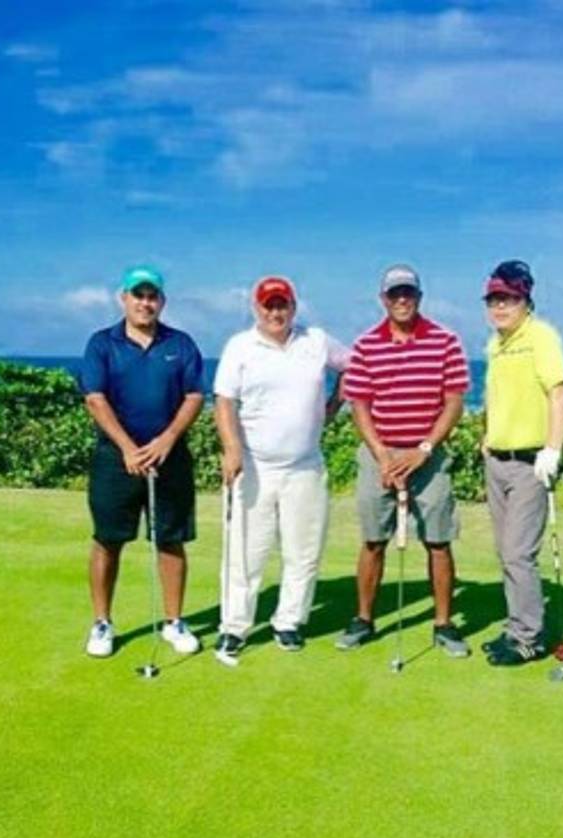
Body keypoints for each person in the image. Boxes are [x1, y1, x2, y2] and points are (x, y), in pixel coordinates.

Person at [213, 276, 351, 660]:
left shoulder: (316, 340)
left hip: (306, 466)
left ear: (294, 306)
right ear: (256, 308)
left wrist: (332, 407)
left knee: (303, 551)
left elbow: (354, 367)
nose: (276, 312)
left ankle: (289, 622)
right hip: (254, 466)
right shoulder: (240, 346)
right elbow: (224, 402)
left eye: (282, 305)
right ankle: (234, 627)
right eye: (268, 305)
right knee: (245, 552)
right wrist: (231, 448)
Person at [337, 264, 471, 656]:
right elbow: (359, 404)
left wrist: (423, 450)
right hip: (379, 454)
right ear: (383, 299)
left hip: (427, 455)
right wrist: (382, 455)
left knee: (438, 541)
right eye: (394, 294)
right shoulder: (365, 345)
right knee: (373, 540)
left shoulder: (444, 341)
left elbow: (454, 402)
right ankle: (363, 619)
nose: (401, 300)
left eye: (408, 293)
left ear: (419, 297)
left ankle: (443, 625)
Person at [79, 265, 205, 658]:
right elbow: (95, 398)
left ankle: (173, 621)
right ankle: (102, 622)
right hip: (115, 460)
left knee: (170, 540)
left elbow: (194, 396)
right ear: (124, 299)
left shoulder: (180, 344)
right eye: (138, 295)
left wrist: (166, 440)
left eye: (152, 296)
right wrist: (128, 449)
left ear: (161, 301)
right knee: (108, 540)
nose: (145, 303)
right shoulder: (102, 343)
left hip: (170, 458)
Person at [479, 260, 563, 666]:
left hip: (531, 462)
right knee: (506, 552)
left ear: (525, 300)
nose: (500, 307)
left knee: (519, 553)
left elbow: (559, 391)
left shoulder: (541, 337)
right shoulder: (495, 342)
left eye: (508, 299)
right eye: (494, 299)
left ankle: (528, 639)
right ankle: (517, 626)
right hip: (497, 460)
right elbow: (497, 396)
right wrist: (486, 436)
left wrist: (553, 449)